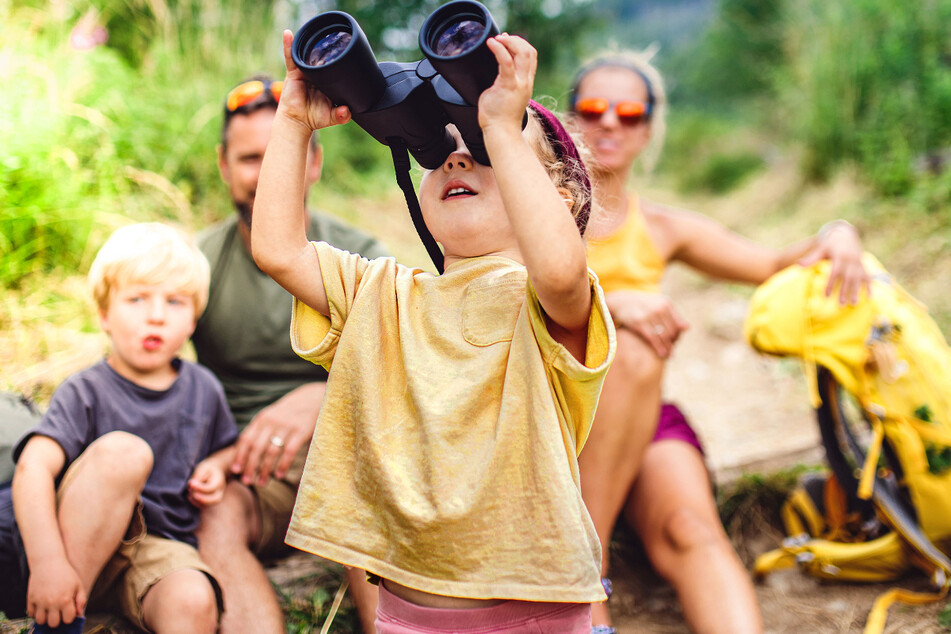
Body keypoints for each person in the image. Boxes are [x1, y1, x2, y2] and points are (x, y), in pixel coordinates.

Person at [251, 29, 615, 632]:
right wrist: (293, 121)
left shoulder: (547, 305)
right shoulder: (382, 295)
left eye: (482, 148)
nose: (457, 157)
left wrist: (500, 124)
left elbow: (559, 264)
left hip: (534, 612)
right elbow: (279, 250)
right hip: (404, 612)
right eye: (435, 151)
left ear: (559, 196)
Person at [567, 53, 871, 633]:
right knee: (631, 345)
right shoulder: (532, 215)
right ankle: (586, 570)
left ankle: (588, 562)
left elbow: (775, 264)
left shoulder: (659, 227)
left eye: (629, 113)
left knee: (692, 530)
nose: (610, 123)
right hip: (551, 416)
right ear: (569, 119)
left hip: (638, 417)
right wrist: (605, 306)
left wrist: (838, 232)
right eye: (592, 109)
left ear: (648, 129)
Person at [190, 74, 390, 633]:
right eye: (251, 157)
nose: (263, 174)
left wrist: (318, 396)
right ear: (225, 165)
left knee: (362, 475)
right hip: (248, 472)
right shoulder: (195, 263)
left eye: (283, 151)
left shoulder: (363, 256)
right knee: (215, 517)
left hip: (353, 454)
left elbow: (404, 372)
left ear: (315, 162)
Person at [0, 223, 238, 633]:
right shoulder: (86, 390)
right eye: (137, 299)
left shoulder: (204, 387)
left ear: (194, 319)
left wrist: (217, 466)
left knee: (194, 599)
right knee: (124, 453)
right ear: (104, 314)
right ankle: (58, 622)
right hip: (75, 540)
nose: (157, 316)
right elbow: (33, 469)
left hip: (154, 548)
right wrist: (48, 562)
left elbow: (226, 446)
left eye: (176, 302)